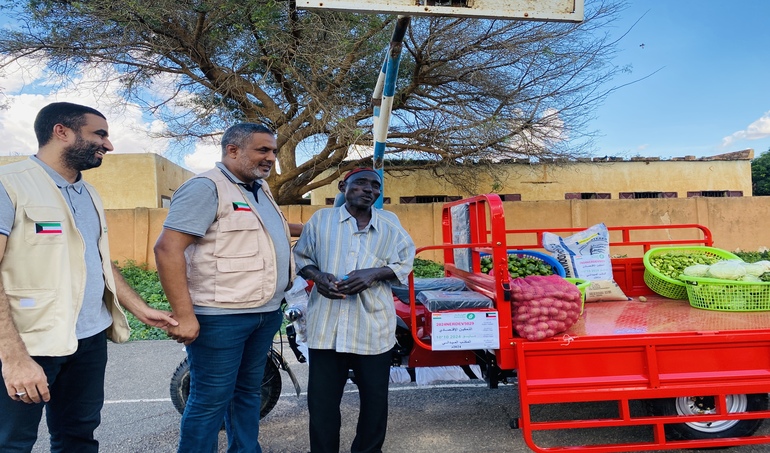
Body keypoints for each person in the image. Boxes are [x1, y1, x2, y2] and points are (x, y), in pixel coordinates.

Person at [0, 102, 178, 452]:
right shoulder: (10, 185)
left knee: (79, 436)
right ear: (61, 131)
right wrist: (14, 357)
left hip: (88, 340)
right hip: (29, 342)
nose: (108, 145)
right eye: (100, 134)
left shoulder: (89, 193)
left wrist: (141, 309)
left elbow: (97, 260)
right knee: (11, 442)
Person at [154, 122, 300, 453]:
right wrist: (184, 315)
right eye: (263, 150)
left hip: (264, 314)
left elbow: (262, 227)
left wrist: (307, 228)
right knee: (210, 399)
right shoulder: (207, 188)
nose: (271, 158)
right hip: (221, 319)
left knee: (248, 391)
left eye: (273, 151)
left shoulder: (259, 188)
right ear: (232, 150)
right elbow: (167, 249)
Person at [293, 167, 415, 453]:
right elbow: (302, 258)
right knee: (322, 403)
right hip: (327, 327)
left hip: (372, 328)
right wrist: (318, 277)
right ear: (342, 187)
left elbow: (405, 262)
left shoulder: (389, 223)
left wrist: (374, 273)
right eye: (361, 183)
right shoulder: (321, 220)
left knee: (375, 402)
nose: (369, 189)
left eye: (375, 185)